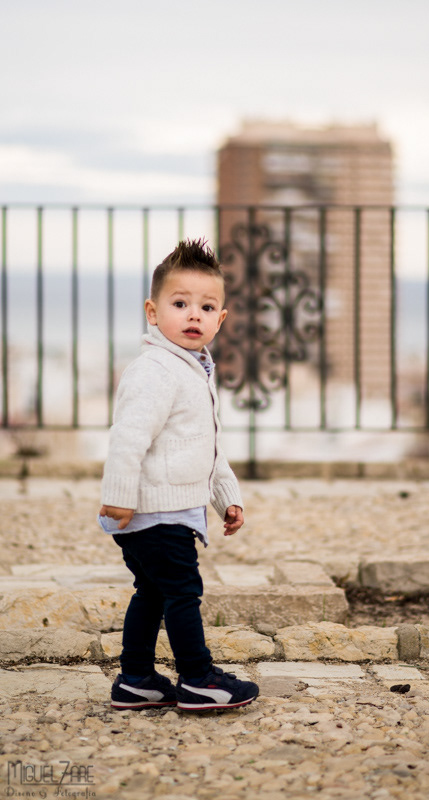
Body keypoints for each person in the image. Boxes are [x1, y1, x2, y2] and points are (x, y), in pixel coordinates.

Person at [98, 238, 259, 712]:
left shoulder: (193, 368)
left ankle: (137, 680)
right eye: (180, 303)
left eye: (206, 306)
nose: (194, 315)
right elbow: (128, 438)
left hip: (167, 510)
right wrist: (120, 497)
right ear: (153, 312)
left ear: (221, 319)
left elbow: (205, 446)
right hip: (154, 512)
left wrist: (226, 496)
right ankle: (197, 678)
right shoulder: (156, 371)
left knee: (151, 592)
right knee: (183, 593)